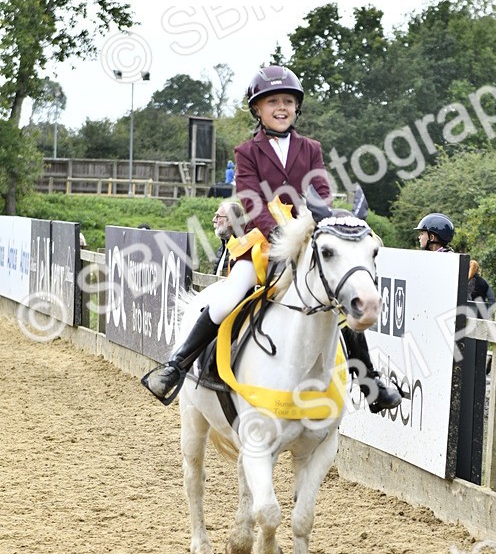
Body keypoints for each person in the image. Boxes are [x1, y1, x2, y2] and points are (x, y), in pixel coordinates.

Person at [142, 65, 402, 411]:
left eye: (288, 101)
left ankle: (369, 382)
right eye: (273, 102)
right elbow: (250, 200)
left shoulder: (310, 148)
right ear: (258, 109)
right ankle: (177, 367)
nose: (282, 108)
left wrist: (324, 221)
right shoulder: (247, 152)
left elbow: (319, 192)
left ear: (297, 108)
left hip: (306, 244)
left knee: (340, 302)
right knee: (225, 300)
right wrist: (280, 236)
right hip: (261, 246)